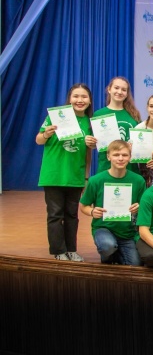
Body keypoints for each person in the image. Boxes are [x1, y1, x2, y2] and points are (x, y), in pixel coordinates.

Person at [36, 83, 94, 261]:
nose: (79, 100)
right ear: (69, 98)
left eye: (84, 96)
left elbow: (88, 154)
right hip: (54, 175)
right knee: (55, 215)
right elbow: (38, 140)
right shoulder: (56, 116)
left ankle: (71, 250)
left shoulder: (89, 122)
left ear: (89, 100)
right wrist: (46, 134)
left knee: (72, 215)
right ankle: (58, 251)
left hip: (75, 176)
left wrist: (86, 177)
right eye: (76, 96)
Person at [79, 140, 146, 265]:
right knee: (107, 246)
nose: (120, 158)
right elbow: (83, 206)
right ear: (108, 156)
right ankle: (108, 254)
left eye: (124, 155)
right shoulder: (96, 180)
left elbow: (144, 206)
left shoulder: (138, 180)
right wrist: (92, 211)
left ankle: (115, 252)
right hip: (103, 228)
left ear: (130, 157)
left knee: (136, 264)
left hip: (127, 232)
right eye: (116, 155)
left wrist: (139, 207)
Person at [87, 76, 141, 173]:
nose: (119, 92)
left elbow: (140, 140)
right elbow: (94, 144)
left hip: (130, 168)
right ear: (109, 89)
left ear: (127, 93)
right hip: (106, 167)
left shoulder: (134, 114)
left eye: (123, 90)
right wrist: (91, 142)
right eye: (116, 88)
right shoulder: (99, 114)